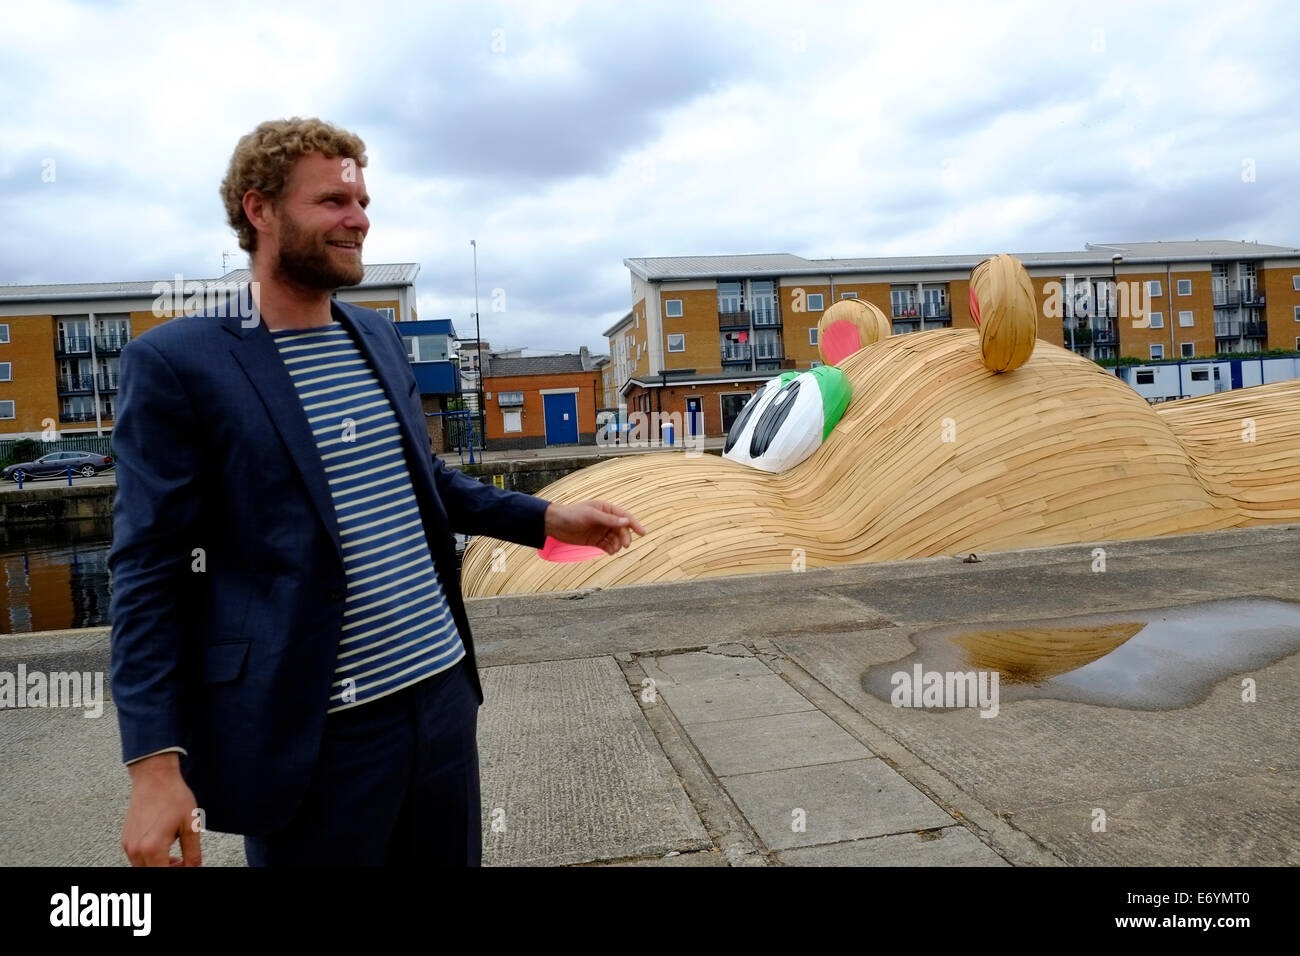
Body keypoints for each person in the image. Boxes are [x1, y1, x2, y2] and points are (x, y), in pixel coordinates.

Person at [109, 117, 645, 867]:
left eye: (361, 201)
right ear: (259, 210)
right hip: (314, 734)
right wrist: (154, 764)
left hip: (440, 700)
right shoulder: (177, 364)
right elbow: (149, 569)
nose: (358, 219)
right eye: (332, 201)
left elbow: (422, 484)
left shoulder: (376, 337)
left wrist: (548, 515)